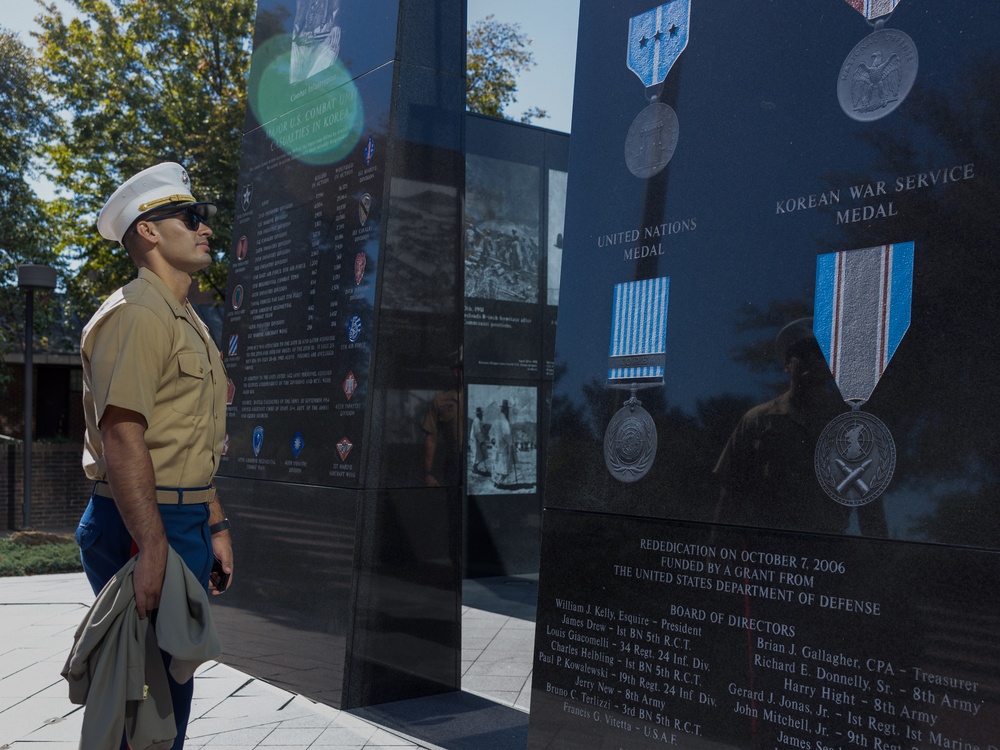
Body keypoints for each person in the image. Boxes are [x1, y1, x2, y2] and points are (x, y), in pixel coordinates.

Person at [75, 162, 234, 749]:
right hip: (142, 523)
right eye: (191, 217)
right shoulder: (138, 313)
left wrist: (213, 521)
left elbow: (187, 435)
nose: (205, 228)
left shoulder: (185, 317)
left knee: (167, 691)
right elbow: (123, 436)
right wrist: (154, 544)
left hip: (177, 517)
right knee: (141, 702)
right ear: (148, 231)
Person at [714, 318, 887, 535]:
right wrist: (716, 551)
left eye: (820, 352)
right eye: (802, 351)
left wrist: (882, 560)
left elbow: (870, 507)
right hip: (769, 550)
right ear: (787, 364)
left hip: (829, 553)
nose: (812, 358)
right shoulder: (757, 420)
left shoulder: (852, 427)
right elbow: (731, 492)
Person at [491, 399, 516, 488]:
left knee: (497, 466)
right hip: (503, 447)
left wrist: (492, 439)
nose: (508, 411)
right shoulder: (504, 420)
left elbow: (491, 432)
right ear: (505, 410)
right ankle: (498, 482)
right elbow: (507, 434)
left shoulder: (496, 419)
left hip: (496, 447)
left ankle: (495, 481)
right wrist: (511, 442)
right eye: (507, 410)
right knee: (505, 468)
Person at [470, 406, 489, 476]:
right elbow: (478, 432)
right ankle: (475, 468)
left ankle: (476, 467)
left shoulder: (478, 421)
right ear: (479, 414)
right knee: (476, 454)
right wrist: (481, 441)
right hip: (476, 441)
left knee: (478, 455)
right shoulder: (476, 421)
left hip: (477, 440)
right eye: (481, 414)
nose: (482, 415)